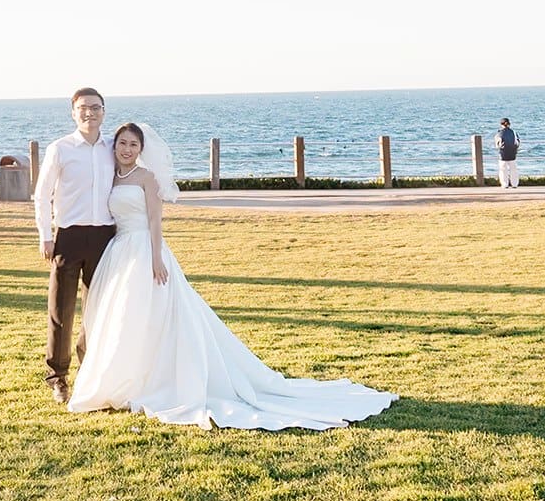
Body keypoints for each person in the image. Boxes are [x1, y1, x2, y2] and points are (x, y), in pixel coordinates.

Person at [67, 122, 398, 429]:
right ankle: (122, 379)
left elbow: (155, 221)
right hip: (119, 252)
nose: (127, 149)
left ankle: (155, 382)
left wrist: (156, 258)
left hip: (145, 250)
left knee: (152, 315)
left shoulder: (146, 178)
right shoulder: (112, 178)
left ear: (141, 149)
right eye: (122, 143)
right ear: (114, 146)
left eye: (133, 145)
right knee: (124, 317)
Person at [33, 88, 117, 404]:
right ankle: (58, 377)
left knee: (97, 310)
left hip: (105, 237)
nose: (89, 112)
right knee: (61, 311)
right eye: (83, 107)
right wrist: (45, 235)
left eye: (95, 107)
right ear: (73, 112)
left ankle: (89, 371)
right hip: (68, 237)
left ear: (104, 111)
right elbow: (42, 194)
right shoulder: (60, 149)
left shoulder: (113, 147)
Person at [495, 117, 521, 189]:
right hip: (512, 153)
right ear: (509, 124)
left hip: (503, 154)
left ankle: (505, 184)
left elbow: (497, 144)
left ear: (501, 124)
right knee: (513, 169)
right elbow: (518, 142)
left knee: (503, 170)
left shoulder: (499, 133)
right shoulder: (514, 132)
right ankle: (514, 184)